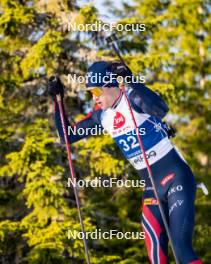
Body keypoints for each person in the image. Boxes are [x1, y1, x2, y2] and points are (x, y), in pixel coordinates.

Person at [48, 61, 202, 264]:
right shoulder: (101, 116)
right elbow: (66, 137)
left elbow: (160, 109)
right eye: (89, 93)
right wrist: (58, 101)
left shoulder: (134, 99)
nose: (94, 97)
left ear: (111, 85)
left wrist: (130, 80)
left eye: (96, 90)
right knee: (155, 254)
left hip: (176, 178)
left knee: (181, 249)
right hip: (151, 188)